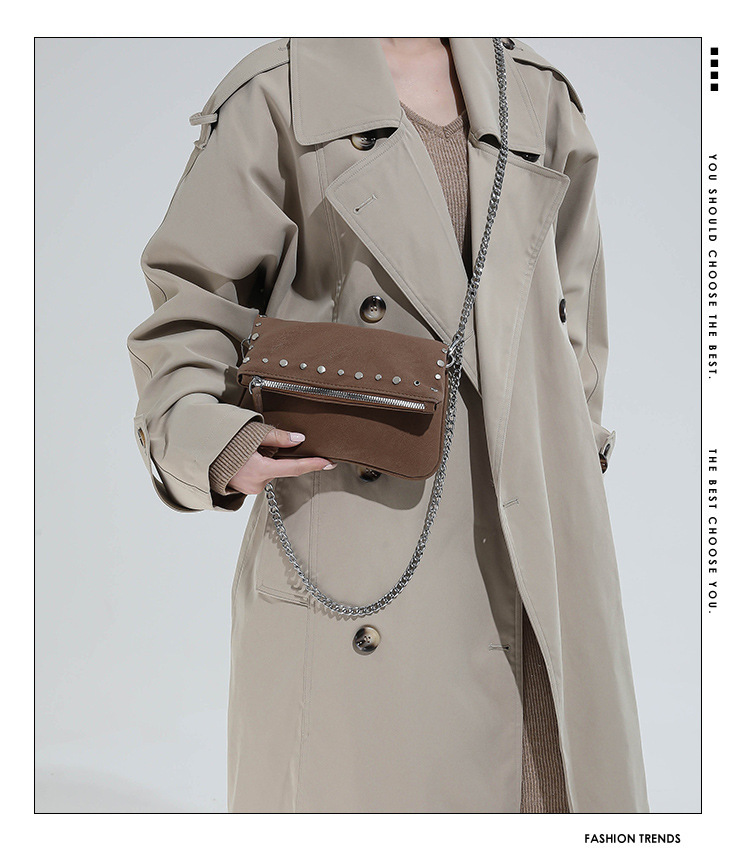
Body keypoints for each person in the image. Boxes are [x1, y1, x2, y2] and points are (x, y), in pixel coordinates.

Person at [127, 37, 649, 813]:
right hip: (362, 526)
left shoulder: (536, 95)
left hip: (540, 542)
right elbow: (193, 303)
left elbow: (571, 312)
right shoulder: (281, 94)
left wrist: (573, 446)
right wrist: (210, 438)